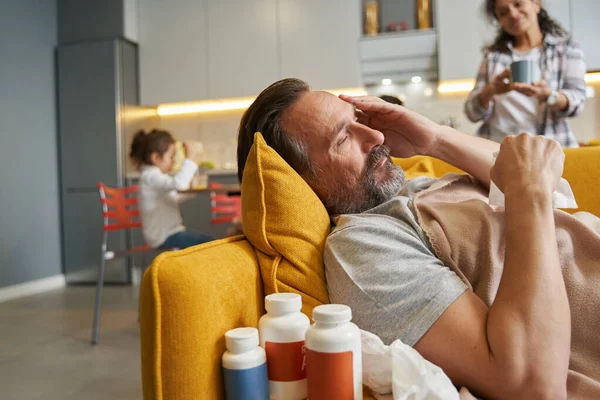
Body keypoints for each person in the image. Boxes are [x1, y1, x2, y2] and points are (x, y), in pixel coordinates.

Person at [237, 78, 600, 399]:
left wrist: (436, 139)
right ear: (302, 184)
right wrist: (529, 191)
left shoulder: (410, 192)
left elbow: (540, 180)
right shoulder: (363, 245)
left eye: (358, 119)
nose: (376, 137)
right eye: (344, 137)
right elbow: (533, 385)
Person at [464, 0, 586, 147]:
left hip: (548, 150)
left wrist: (547, 95)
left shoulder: (566, 49)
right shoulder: (493, 56)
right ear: (500, 21)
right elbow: (472, 113)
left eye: (518, 4)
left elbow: (577, 104)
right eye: (503, 12)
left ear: (536, 4)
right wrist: (490, 90)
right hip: (498, 150)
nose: (513, 14)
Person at [130, 129, 214, 249]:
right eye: (171, 157)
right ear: (156, 158)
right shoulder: (150, 177)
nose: (174, 162)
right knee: (210, 245)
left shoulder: (154, 176)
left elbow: (173, 198)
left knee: (208, 243)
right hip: (164, 236)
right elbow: (179, 184)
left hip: (171, 233)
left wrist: (190, 190)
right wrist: (189, 158)